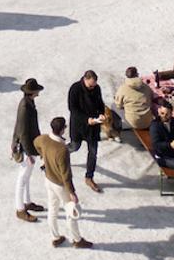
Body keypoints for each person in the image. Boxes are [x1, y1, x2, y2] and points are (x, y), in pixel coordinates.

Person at [33, 114, 91, 248]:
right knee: (71, 211)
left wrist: (43, 156)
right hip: (60, 185)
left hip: (48, 180)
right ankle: (77, 240)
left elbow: (35, 142)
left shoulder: (44, 139)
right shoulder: (62, 150)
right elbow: (66, 175)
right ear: (62, 130)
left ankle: (55, 237)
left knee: (53, 209)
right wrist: (72, 192)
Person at [10, 77, 45, 223]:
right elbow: (23, 132)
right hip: (26, 148)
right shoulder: (25, 106)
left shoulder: (28, 103)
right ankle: (20, 209)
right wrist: (29, 152)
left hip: (29, 146)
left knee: (26, 177)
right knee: (22, 178)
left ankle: (27, 202)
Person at [67, 69, 107, 192]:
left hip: (93, 126)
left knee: (93, 152)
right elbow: (73, 109)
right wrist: (86, 119)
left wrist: (101, 114)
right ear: (85, 79)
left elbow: (100, 104)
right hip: (79, 125)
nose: (92, 88)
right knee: (74, 146)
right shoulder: (75, 89)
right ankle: (55, 155)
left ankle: (89, 177)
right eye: (90, 85)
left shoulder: (97, 88)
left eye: (94, 85)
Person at [113, 66, 153, 130]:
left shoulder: (123, 88)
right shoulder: (145, 86)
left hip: (133, 122)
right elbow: (151, 96)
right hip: (147, 121)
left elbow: (118, 105)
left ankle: (119, 126)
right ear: (137, 74)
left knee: (113, 105)